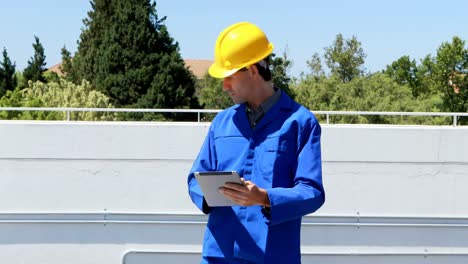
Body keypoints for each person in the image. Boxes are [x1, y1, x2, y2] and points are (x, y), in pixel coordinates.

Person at [187, 21, 325, 264]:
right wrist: (210, 194)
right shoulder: (222, 123)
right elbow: (195, 179)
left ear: (252, 70)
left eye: (229, 76)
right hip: (220, 255)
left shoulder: (300, 123)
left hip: (273, 256)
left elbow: (312, 192)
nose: (224, 85)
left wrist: (263, 197)